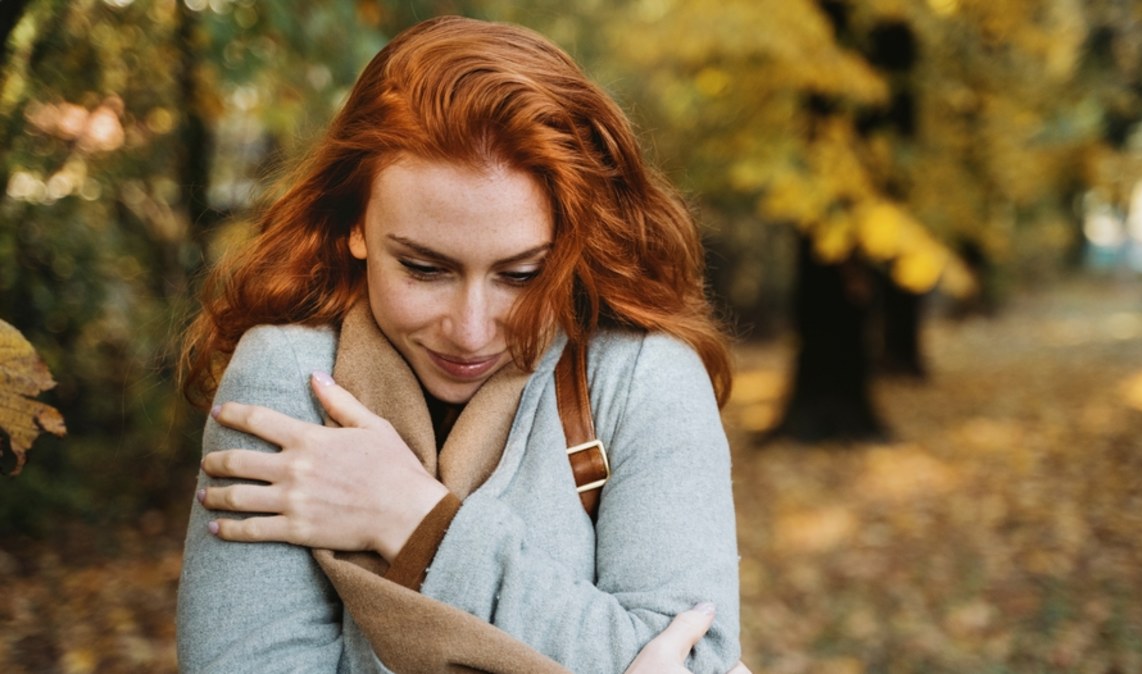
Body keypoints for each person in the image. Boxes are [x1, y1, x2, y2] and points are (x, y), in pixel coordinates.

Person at [177, 14, 743, 674]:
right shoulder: (288, 377)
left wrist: (417, 523)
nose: (471, 329)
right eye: (424, 268)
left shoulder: (643, 379)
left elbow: (699, 663)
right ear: (356, 224)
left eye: (522, 275)